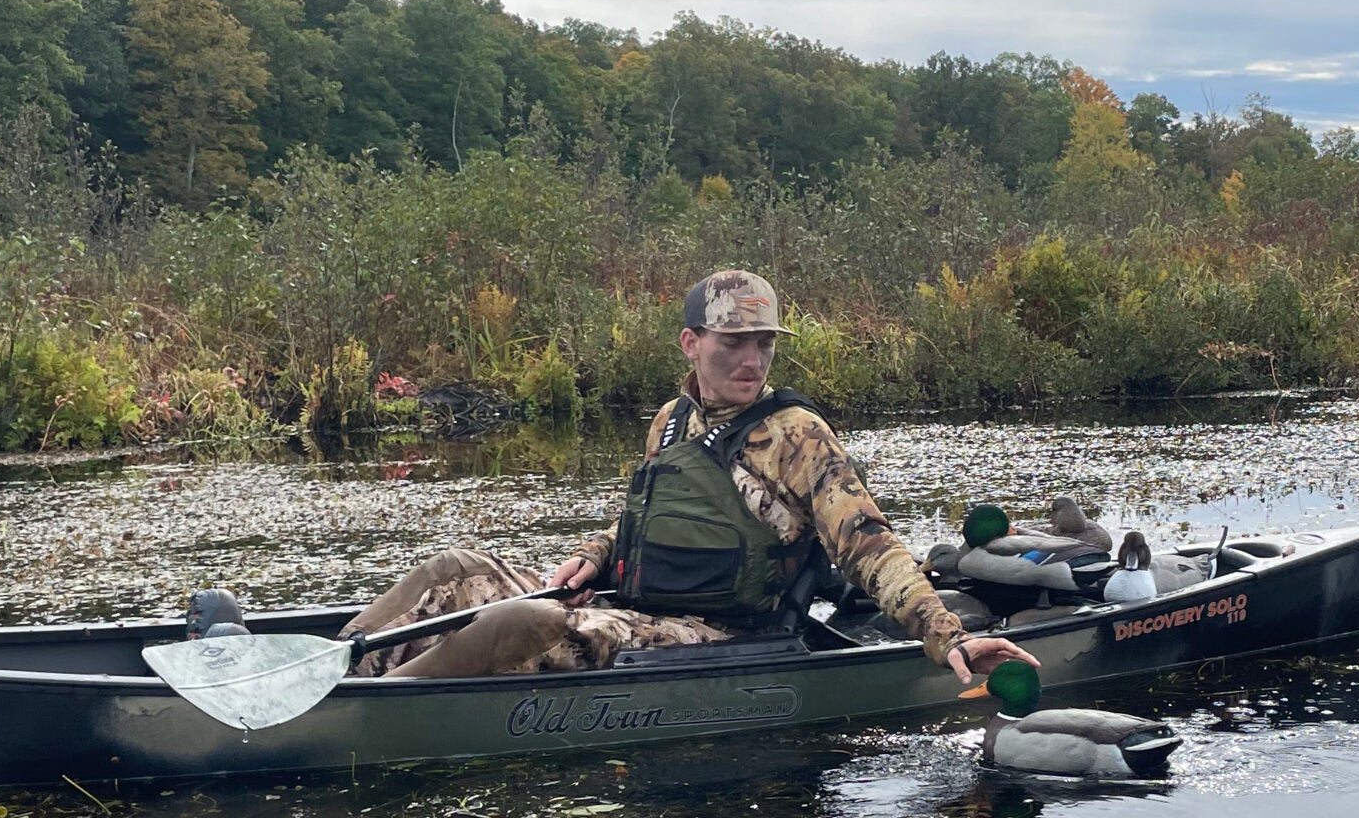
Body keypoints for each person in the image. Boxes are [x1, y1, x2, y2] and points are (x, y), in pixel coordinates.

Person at [341, 267, 1040, 691]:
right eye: (734, 341)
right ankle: (338, 662)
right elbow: (642, 522)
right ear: (692, 343)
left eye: (763, 343)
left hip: (725, 633)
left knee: (528, 619)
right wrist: (594, 552)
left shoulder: (798, 436)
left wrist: (947, 636)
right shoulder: (671, 421)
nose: (752, 358)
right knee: (453, 566)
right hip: (648, 600)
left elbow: (870, 548)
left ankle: (369, 711)